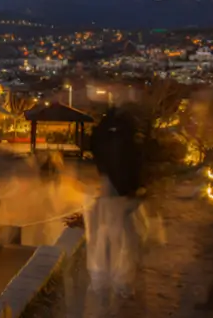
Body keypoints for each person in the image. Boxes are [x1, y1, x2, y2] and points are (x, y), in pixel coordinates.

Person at [84, 108, 149, 306]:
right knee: (125, 239)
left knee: (109, 239)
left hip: (111, 192)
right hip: (122, 193)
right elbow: (137, 159)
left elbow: (97, 152)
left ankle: (105, 283)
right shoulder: (128, 131)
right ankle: (120, 284)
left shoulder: (105, 131)